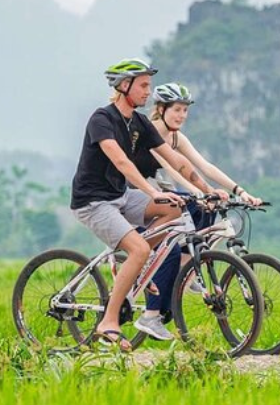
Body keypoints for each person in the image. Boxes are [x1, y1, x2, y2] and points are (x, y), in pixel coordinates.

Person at [70, 58, 208, 351]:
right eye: (144, 85)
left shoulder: (140, 122)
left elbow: (175, 160)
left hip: (120, 196)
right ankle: (109, 322)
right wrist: (151, 191)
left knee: (176, 208)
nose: (149, 92)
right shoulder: (102, 119)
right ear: (124, 85)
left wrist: (209, 190)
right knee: (140, 246)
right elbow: (120, 161)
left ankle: (143, 263)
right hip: (93, 201)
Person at [125, 81, 264, 341]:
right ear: (162, 109)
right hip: (134, 198)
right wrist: (199, 193)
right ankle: (153, 313)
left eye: (185, 110)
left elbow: (203, 165)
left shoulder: (176, 136)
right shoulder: (151, 132)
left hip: (157, 194)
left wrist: (240, 191)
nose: (181, 116)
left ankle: (190, 265)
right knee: (178, 236)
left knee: (204, 211)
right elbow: (178, 169)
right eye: (177, 109)